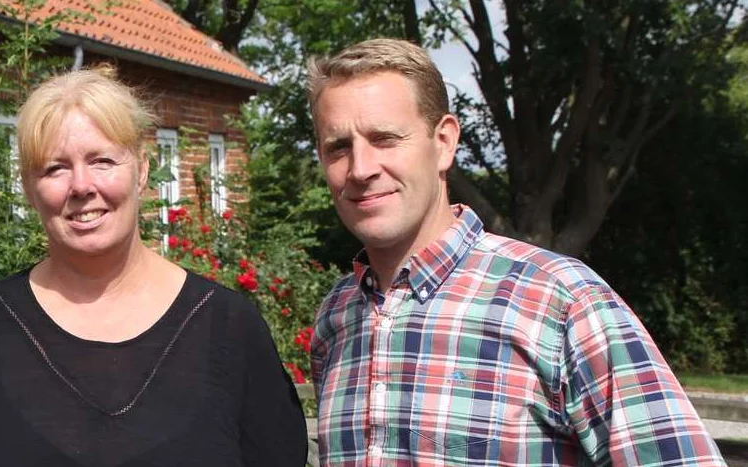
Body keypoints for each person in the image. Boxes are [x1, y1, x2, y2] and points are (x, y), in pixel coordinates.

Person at [307, 38, 726, 466]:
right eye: (338, 147)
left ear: (445, 142)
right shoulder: (336, 320)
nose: (360, 168)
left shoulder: (560, 302)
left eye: (385, 138)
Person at [0, 66, 307, 467]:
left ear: (142, 171)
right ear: (29, 188)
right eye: (55, 168)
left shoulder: (230, 329)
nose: (81, 186)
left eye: (102, 160)